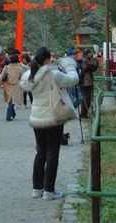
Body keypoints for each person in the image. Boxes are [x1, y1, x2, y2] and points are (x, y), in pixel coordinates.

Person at [20, 47, 78, 201]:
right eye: (50, 57)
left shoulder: (29, 75)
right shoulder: (53, 74)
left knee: (41, 153)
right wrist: (70, 66)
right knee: (53, 153)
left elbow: (23, 85)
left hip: (37, 117)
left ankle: (36, 189)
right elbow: (73, 80)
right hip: (53, 117)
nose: (52, 60)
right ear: (46, 59)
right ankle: (49, 191)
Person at [0, 54, 24, 121]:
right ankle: (8, 117)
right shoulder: (19, 68)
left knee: (10, 101)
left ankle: (13, 114)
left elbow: (1, 76)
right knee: (12, 101)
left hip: (7, 85)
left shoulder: (6, 67)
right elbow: (22, 77)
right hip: (16, 86)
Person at [79, 48, 99, 119]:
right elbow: (93, 65)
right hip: (86, 82)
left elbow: (93, 68)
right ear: (87, 54)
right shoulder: (85, 60)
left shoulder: (84, 59)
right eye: (91, 53)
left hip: (85, 81)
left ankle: (83, 113)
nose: (92, 54)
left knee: (86, 98)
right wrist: (95, 59)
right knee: (86, 98)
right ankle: (83, 114)